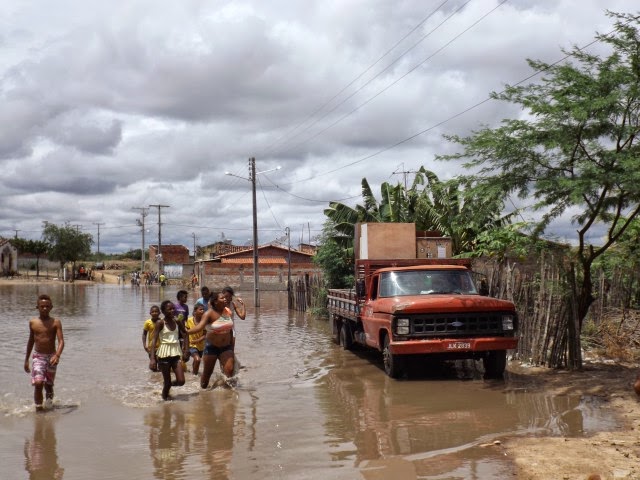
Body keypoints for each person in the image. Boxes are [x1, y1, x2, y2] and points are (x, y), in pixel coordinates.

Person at [24, 294, 65, 412]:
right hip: (38, 356)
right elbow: (31, 341)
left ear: (51, 307)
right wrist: (26, 359)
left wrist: (57, 355)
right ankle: (39, 410)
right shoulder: (33, 323)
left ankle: (49, 406)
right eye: (42, 306)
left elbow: (61, 341)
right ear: (37, 307)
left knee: (49, 386)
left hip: (52, 357)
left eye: (47, 306)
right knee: (38, 383)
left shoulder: (56, 322)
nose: (45, 308)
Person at [186, 291, 235, 388]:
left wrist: (232, 346)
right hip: (212, 347)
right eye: (222, 298)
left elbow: (230, 330)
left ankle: (228, 397)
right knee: (207, 375)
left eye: (225, 298)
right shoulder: (209, 314)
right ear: (215, 301)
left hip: (226, 347)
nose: (225, 299)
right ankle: (203, 395)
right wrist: (187, 332)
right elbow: (199, 327)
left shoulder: (228, 311)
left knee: (229, 371)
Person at [149, 300, 189, 400]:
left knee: (181, 381)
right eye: (169, 309)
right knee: (167, 382)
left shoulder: (177, 321)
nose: (172, 311)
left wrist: (186, 349)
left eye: (173, 308)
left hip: (175, 353)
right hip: (164, 355)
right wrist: (152, 358)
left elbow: (185, 333)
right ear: (163, 311)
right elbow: (154, 340)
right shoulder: (160, 323)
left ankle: (168, 385)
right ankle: (165, 403)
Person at [185, 303, 206, 375]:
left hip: (200, 346)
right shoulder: (189, 320)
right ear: (195, 311)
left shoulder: (204, 322)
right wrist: (185, 347)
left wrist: (198, 340)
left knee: (196, 361)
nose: (202, 311)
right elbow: (185, 334)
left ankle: (193, 374)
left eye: (203, 309)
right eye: (200, 309)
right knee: (197, 360)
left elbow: (205, 335)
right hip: (191, 344)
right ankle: (195, 376)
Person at [222, 286, 245, 351]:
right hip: (221, 330)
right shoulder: (219, 305)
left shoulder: (233, 305)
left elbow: (242, 317)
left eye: (229, 296)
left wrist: (243, 305)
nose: (227, 298)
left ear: (231, 297)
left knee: (231, 350)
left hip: (231, 330)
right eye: (225, 296)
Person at [142, 305, 161, 371]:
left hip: (161, 346)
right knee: (153, 366)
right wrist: (144, 345)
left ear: (159, 313)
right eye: (153, 312)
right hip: (151, 346)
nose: (154, 313)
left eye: (156, 311)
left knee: (161, 365)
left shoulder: (162, 322)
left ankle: (161, 379)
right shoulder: (147, 322)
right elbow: (144, 334)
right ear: (150, 313)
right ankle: (154, 379)